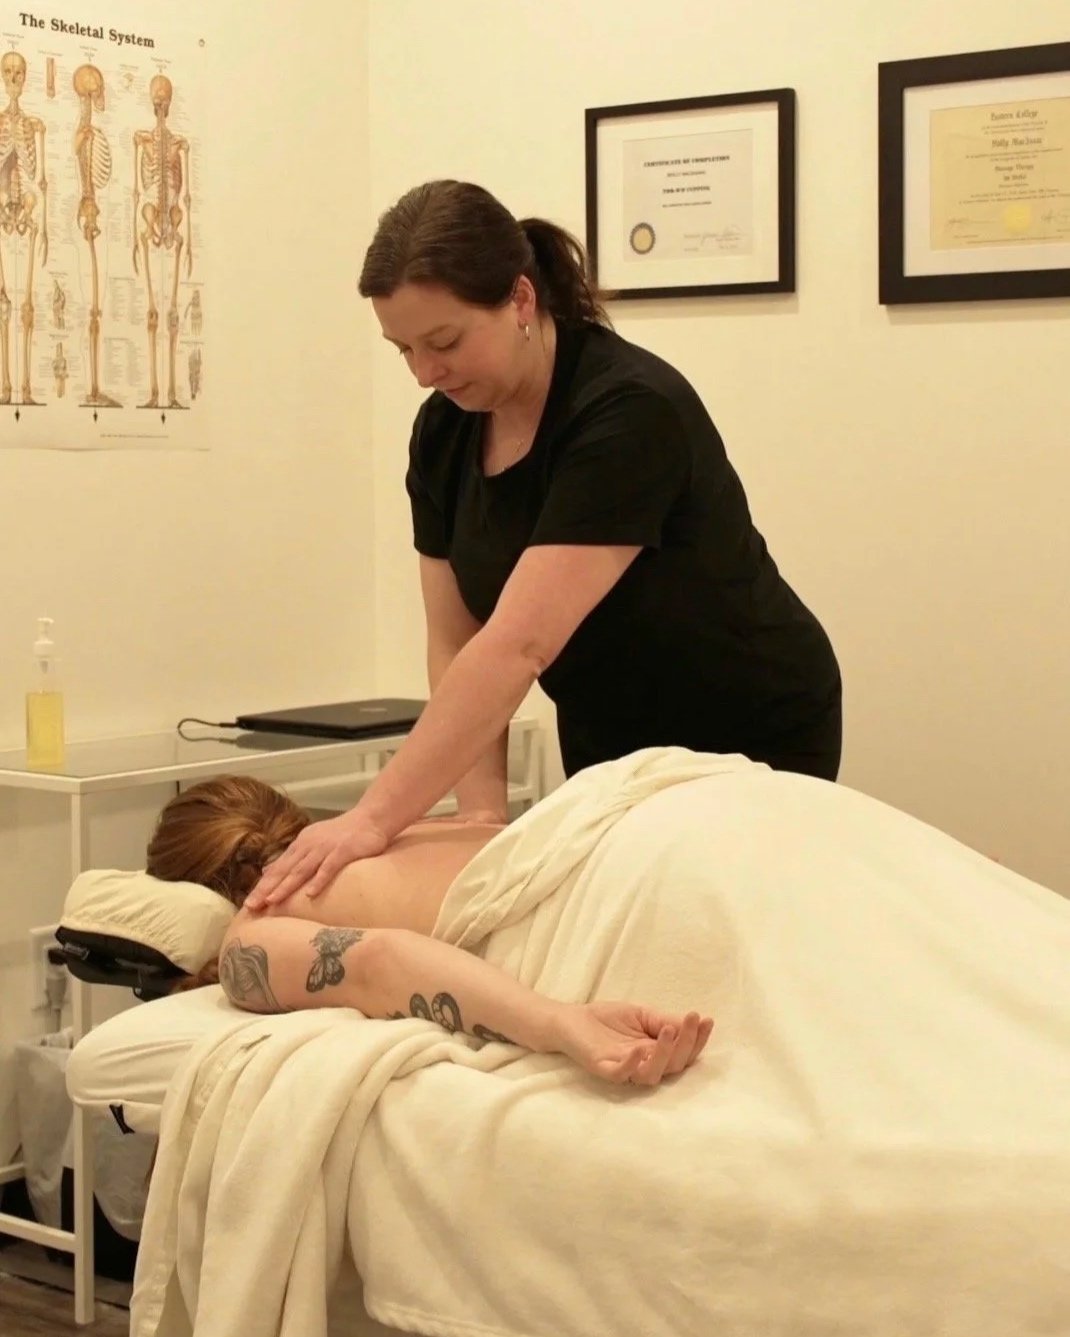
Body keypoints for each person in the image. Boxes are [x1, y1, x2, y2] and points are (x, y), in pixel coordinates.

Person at [247, 179, 841, 910]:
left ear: (521, 299)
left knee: (717, 936)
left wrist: (373, 817)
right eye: (402, 348)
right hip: (607, 728)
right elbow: (456, 637)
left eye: (445, 341)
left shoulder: (628, 411)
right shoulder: (443, 432)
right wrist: (480, 816)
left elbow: (517, 644)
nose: (425, 373)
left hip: (743, 722)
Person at [146, 775, 713, 1088]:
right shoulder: (412, 828)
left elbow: (380, 962)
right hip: (667, 820)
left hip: (628, 892)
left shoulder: (257, 928)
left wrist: (560, 1024)